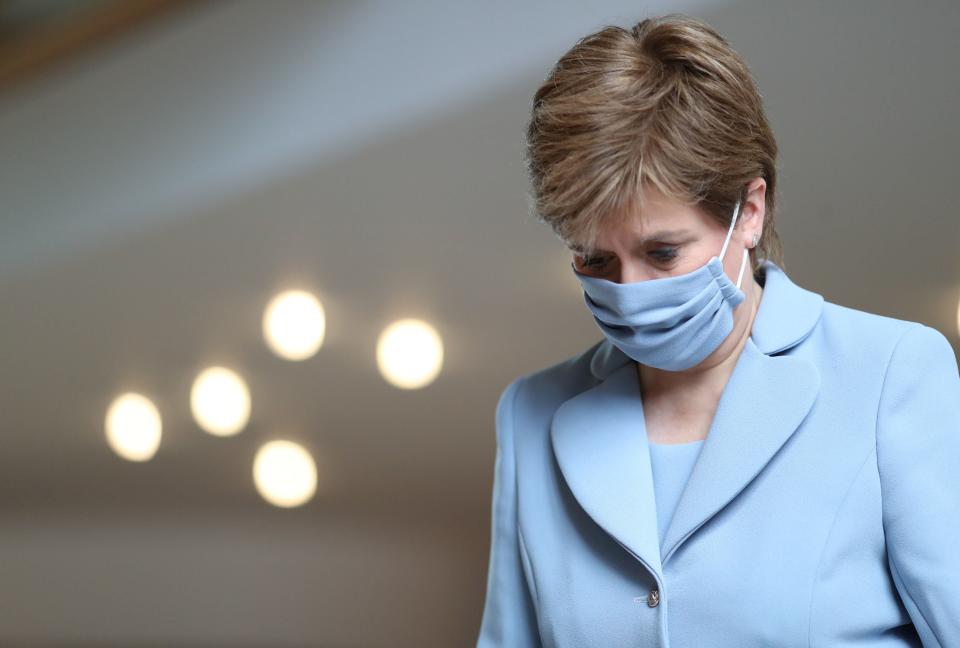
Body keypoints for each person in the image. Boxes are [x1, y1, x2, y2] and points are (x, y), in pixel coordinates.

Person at [476, 13, 960, 648]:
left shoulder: (891, 374)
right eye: (595, 260)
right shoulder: (531, 415)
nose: (630, 292)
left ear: (750, 210)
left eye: (664, 253)